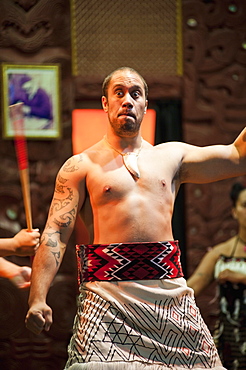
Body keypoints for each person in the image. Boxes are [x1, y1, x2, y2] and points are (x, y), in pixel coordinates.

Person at [25, 66, 246, 370]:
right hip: (106, 298)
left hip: (168, 294)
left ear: (145, 103)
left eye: (135, 93)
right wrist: (38, 297)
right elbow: (56, 233)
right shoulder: (80, 166)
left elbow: (238, 156)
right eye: (119, 93)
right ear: (105, 103)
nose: (127, 100)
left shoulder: (172, 157)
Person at [187, 182, 246, 370]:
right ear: (234, 211)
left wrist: (241, 277)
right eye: (245, 206)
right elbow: (193, 286)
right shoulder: (221, 253)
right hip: (231, 340)